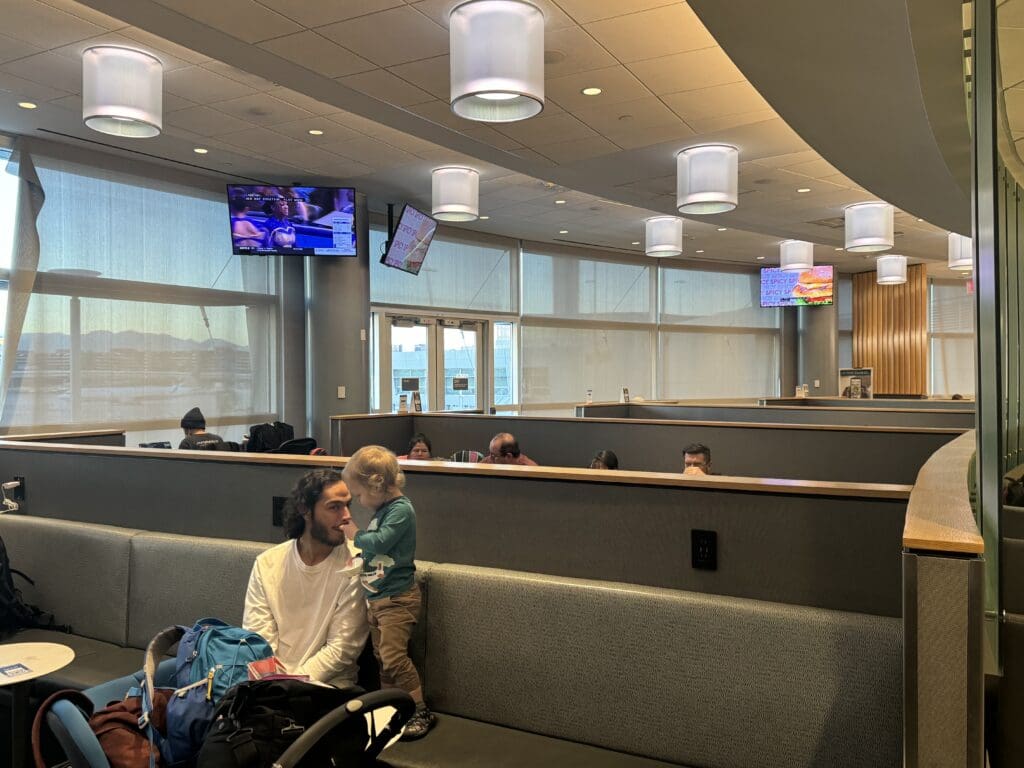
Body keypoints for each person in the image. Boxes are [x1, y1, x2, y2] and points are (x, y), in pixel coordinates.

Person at [340, 446, 435, 740]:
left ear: (376, 483)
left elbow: (381, 543)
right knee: (382, 657)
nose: (358, 500)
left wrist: (355, 534)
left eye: (358, 494)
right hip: (377, 599)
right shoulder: (383, 511)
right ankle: (390, 708)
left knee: (394, 658)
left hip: (397, 600)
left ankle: (419, 709)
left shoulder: (401, 510)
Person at [242, 469, 368, 687]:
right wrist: (272, 683)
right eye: (335, 507)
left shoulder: (356, 564)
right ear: (305, 510)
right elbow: (258, 637)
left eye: (348, 505)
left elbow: (343, 648)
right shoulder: (268, 563)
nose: (346, 516)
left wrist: (289, 684)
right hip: (269, 687)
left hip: (328, 688)